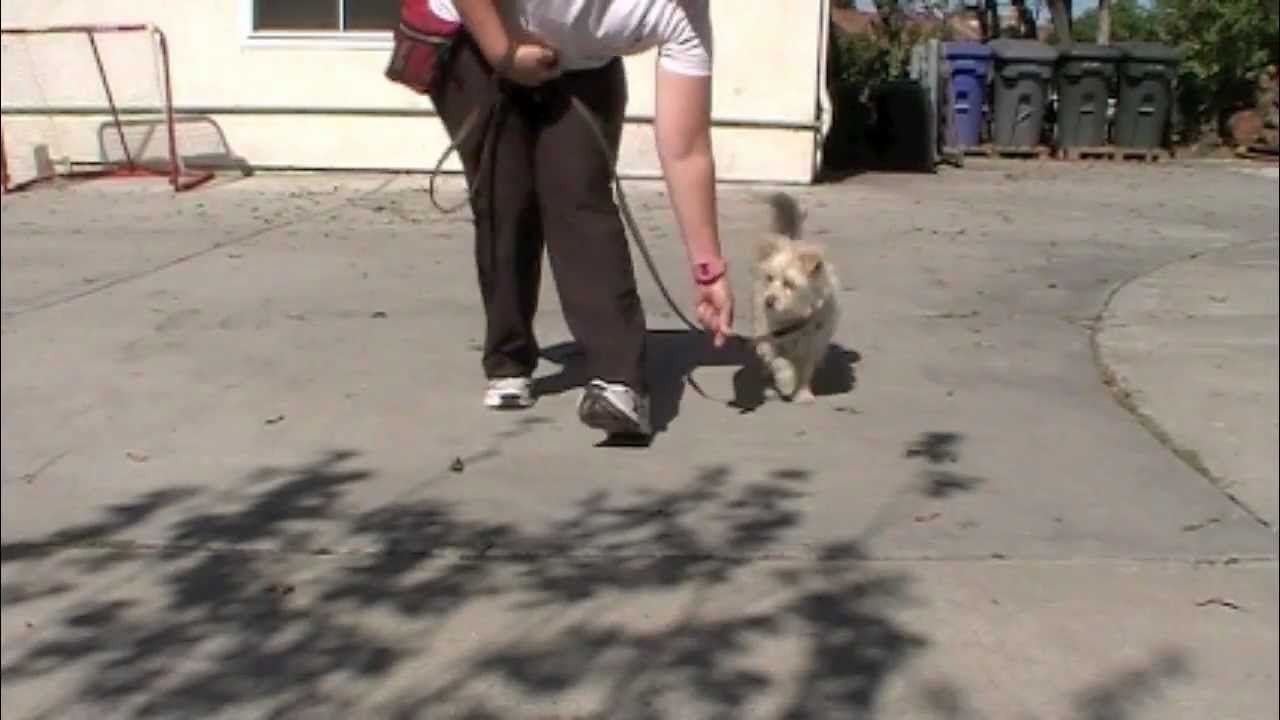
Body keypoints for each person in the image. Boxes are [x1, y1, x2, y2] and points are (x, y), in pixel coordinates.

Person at [425, 0, 733, 440]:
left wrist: (709, 269)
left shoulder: (685, 14)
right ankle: (509, 357)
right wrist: (503, 52)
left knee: (580, 194)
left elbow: (687, 149)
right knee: (505, 197)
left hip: (585, 67)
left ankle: (619, 381)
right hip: (479, 35)